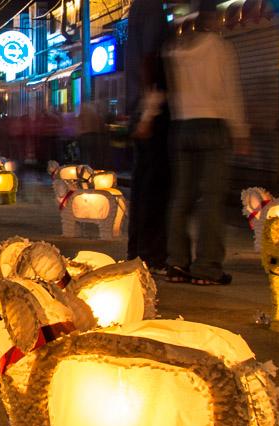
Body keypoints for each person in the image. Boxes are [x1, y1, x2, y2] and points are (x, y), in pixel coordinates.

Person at [164, 0, 249, 285]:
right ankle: (207, 268)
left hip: (183, 127)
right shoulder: (219, 48)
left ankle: (176, 263)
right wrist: (240, 130)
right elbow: (229, 91)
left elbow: (172, 92)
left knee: (181, 198)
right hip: (213, 126)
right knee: (211, 199)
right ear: (214, 18)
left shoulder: (175, 49)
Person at [125, 0, 170, 274]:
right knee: (154, 188)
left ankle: (138, 251)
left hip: (141, 109)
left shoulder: (138, 9)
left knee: (144, 186)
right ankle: (150, 254)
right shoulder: (151, 9)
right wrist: (150, 111)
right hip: (151, 112)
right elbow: (149, 60)